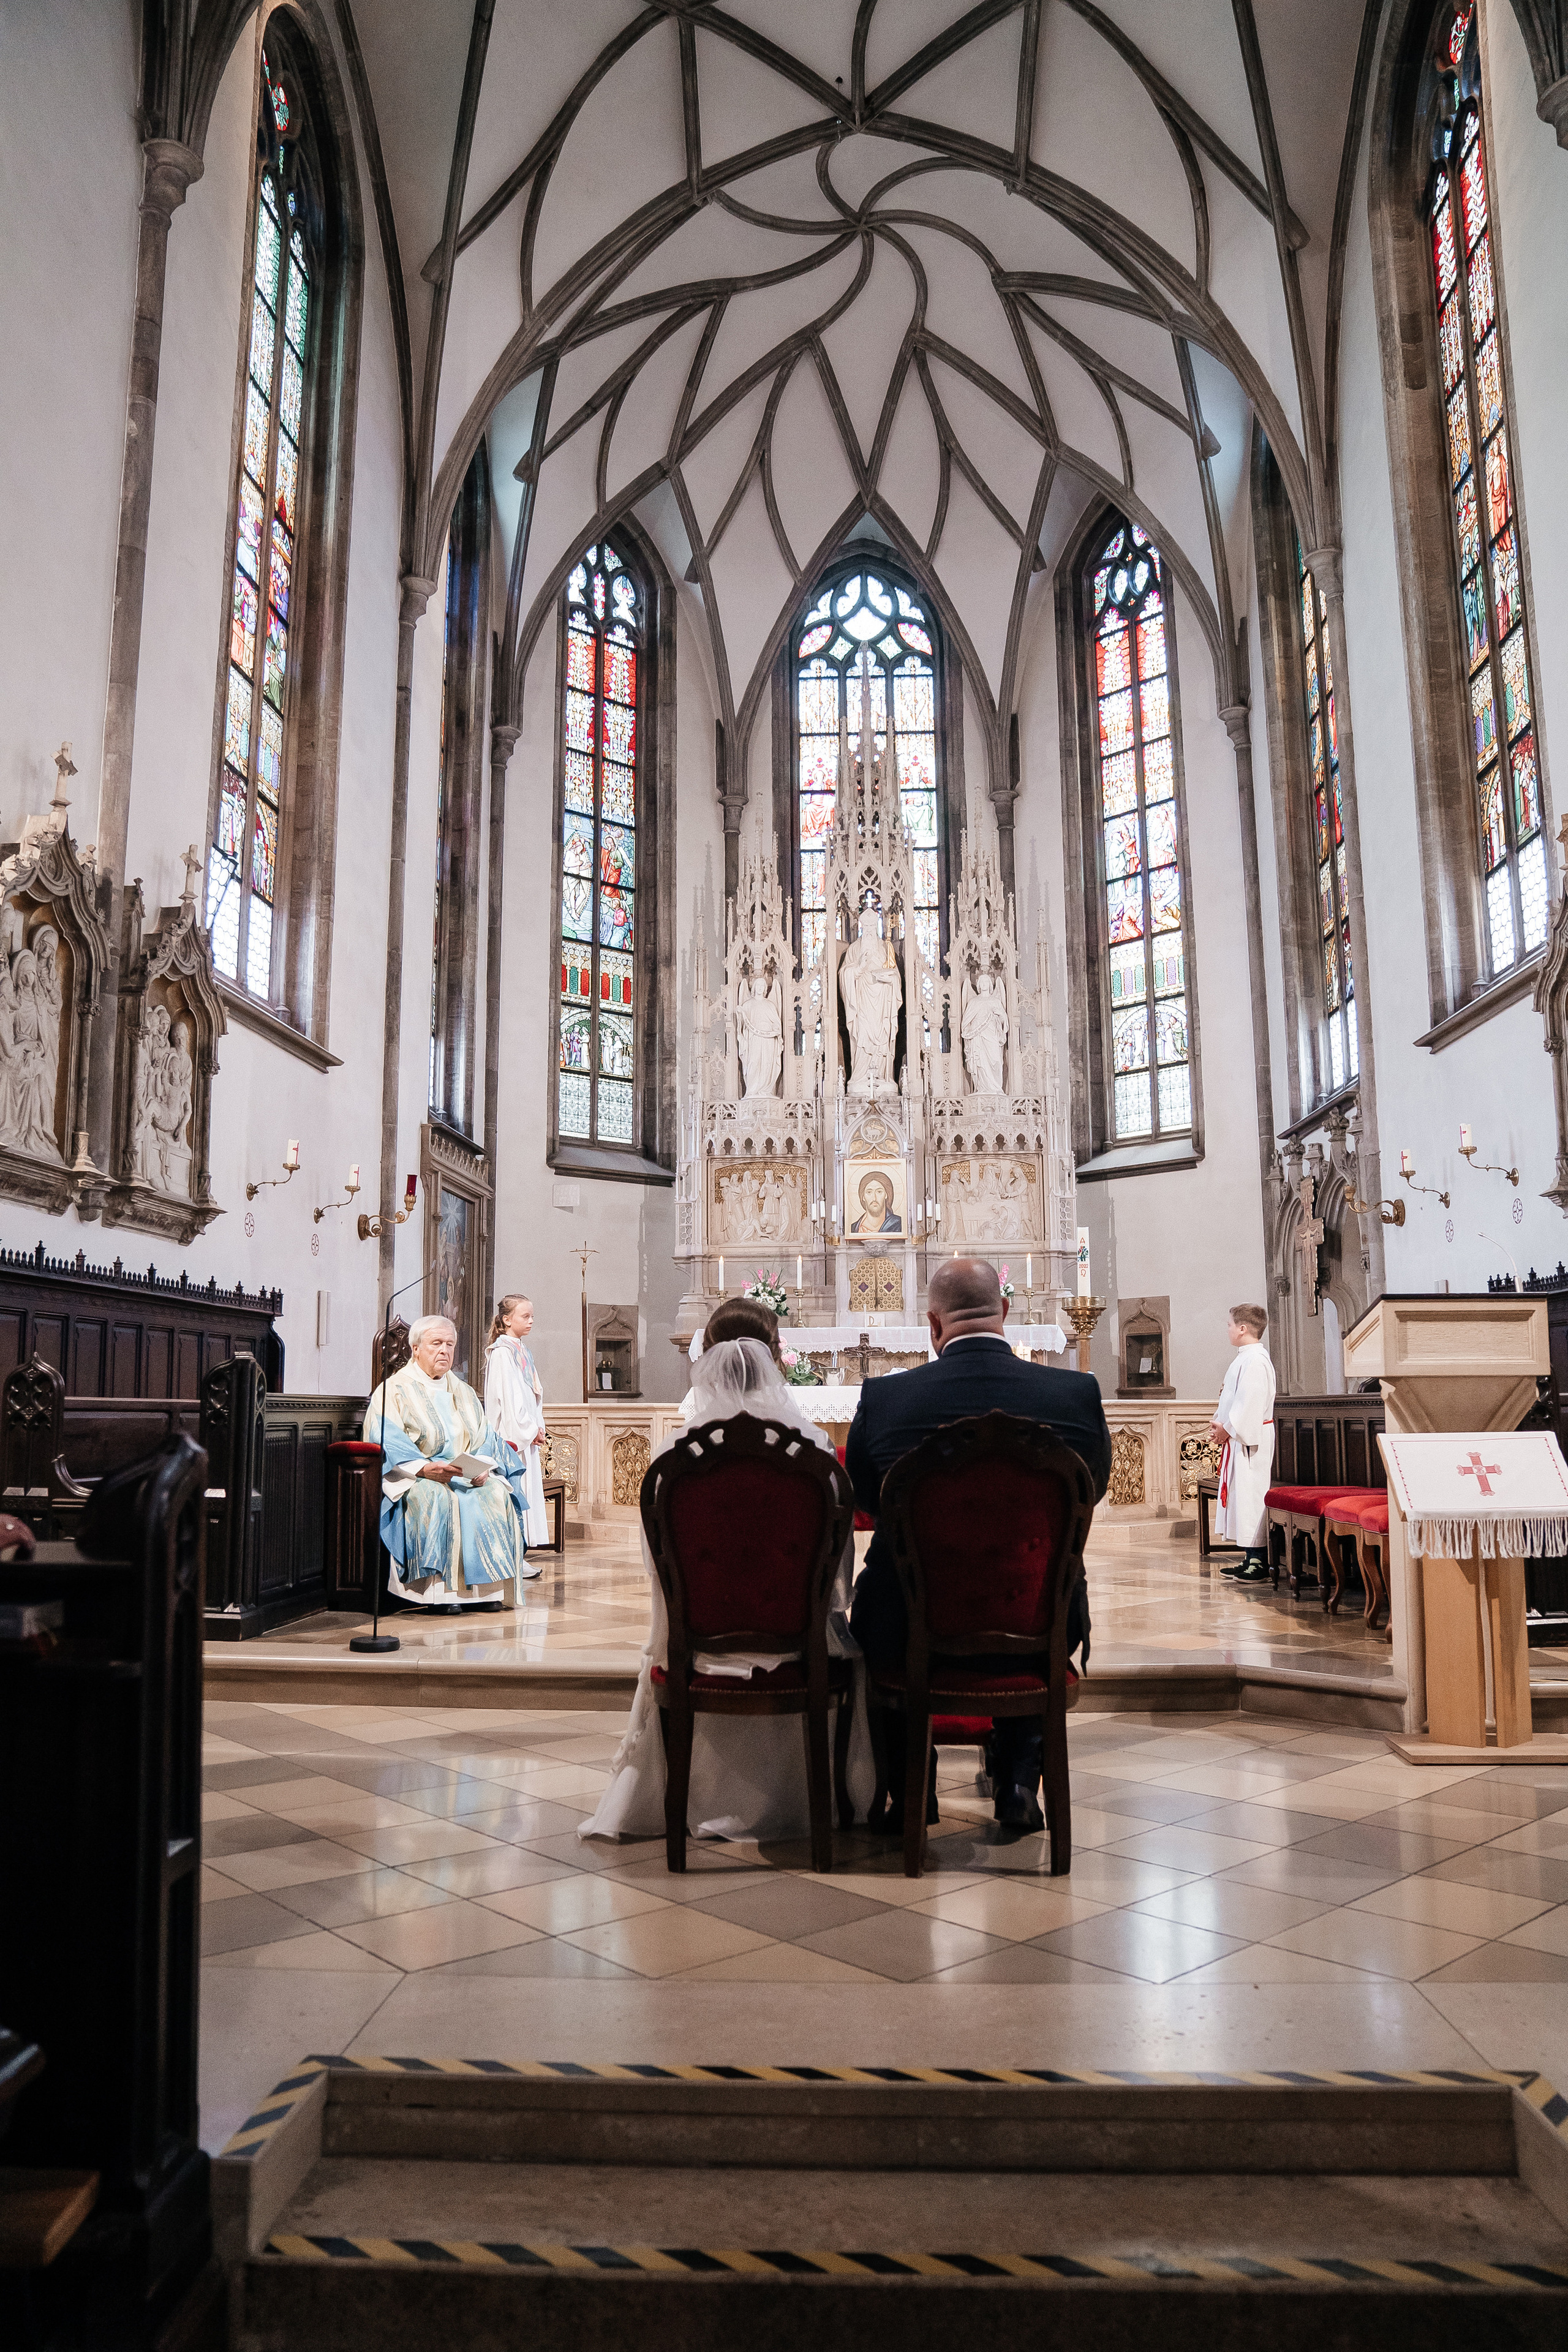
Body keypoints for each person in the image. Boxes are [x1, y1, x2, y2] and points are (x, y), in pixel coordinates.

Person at [581, 1294, 873, 1843]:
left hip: (697, 1645)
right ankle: (818, 1799)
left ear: (708, 1355)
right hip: (798, 1647)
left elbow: (658, 1566)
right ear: (777, 1356)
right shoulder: (810, 1446)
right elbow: (838, 1576)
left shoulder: (677, 1451)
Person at [846, 1256, 1112, 1833]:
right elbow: (1090, 1491)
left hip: (909, 1624)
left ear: (933, 1324)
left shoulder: (887, 1400)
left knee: (872, 1621)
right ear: (1007, 1313)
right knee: (1024, 1608)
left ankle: (912, 1787)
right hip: (1040, 1615)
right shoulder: (1074, 1396)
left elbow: (868, 1500)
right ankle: (1018, 1784)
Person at [366, 1313, 529, 1613]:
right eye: (436, 1343)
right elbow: (385, 1437)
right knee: (436, 1499)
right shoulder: (394, 1390)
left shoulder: (463, 1391)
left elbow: (485, 1437)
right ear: (416, 1349)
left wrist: (482, 1467)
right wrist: (424, 1468)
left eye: (450, 1344)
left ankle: (487, 1591)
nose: (444, 1351)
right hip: (419, 1475)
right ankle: (439, 1595)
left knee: (495, 1494)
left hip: (464, 1472)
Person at [483, 1292, 548, 1575]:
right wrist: (527, 1429)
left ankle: (518, 1556)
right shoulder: (502, 1353)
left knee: (525, 1497)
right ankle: (511, 1558)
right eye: (526, 1316)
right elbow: (508, 1399)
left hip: (526, 1434)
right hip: (512, 1437)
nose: (531, 1321)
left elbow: (533, 1393)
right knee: (514, 1497)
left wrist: (538, 1425)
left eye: (532, 1316)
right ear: (507, 1320)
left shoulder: (521, 1349)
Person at [1212, 1303, 1276, 1583]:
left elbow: (1249, 1404)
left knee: (1252, 1497)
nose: (1227, 1329)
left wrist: (1227, 1428)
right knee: (1243, 1497)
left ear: (1242, 1328)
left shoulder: (1256, 1361)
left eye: (1229, 1324)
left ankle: (1259, 1562)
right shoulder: (1244, 1358)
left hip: (1252, 1440)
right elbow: (1232, 1398)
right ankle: (1250, 1558)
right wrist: (1222, 1425)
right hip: (1241, 1438)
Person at [850, 1169, 902, 1235]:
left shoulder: (898, 1224)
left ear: (886, 1195)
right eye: (869, 1192)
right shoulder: (854, 1228)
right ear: (863, 1197)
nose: (874, 1198)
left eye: (879, 1192)